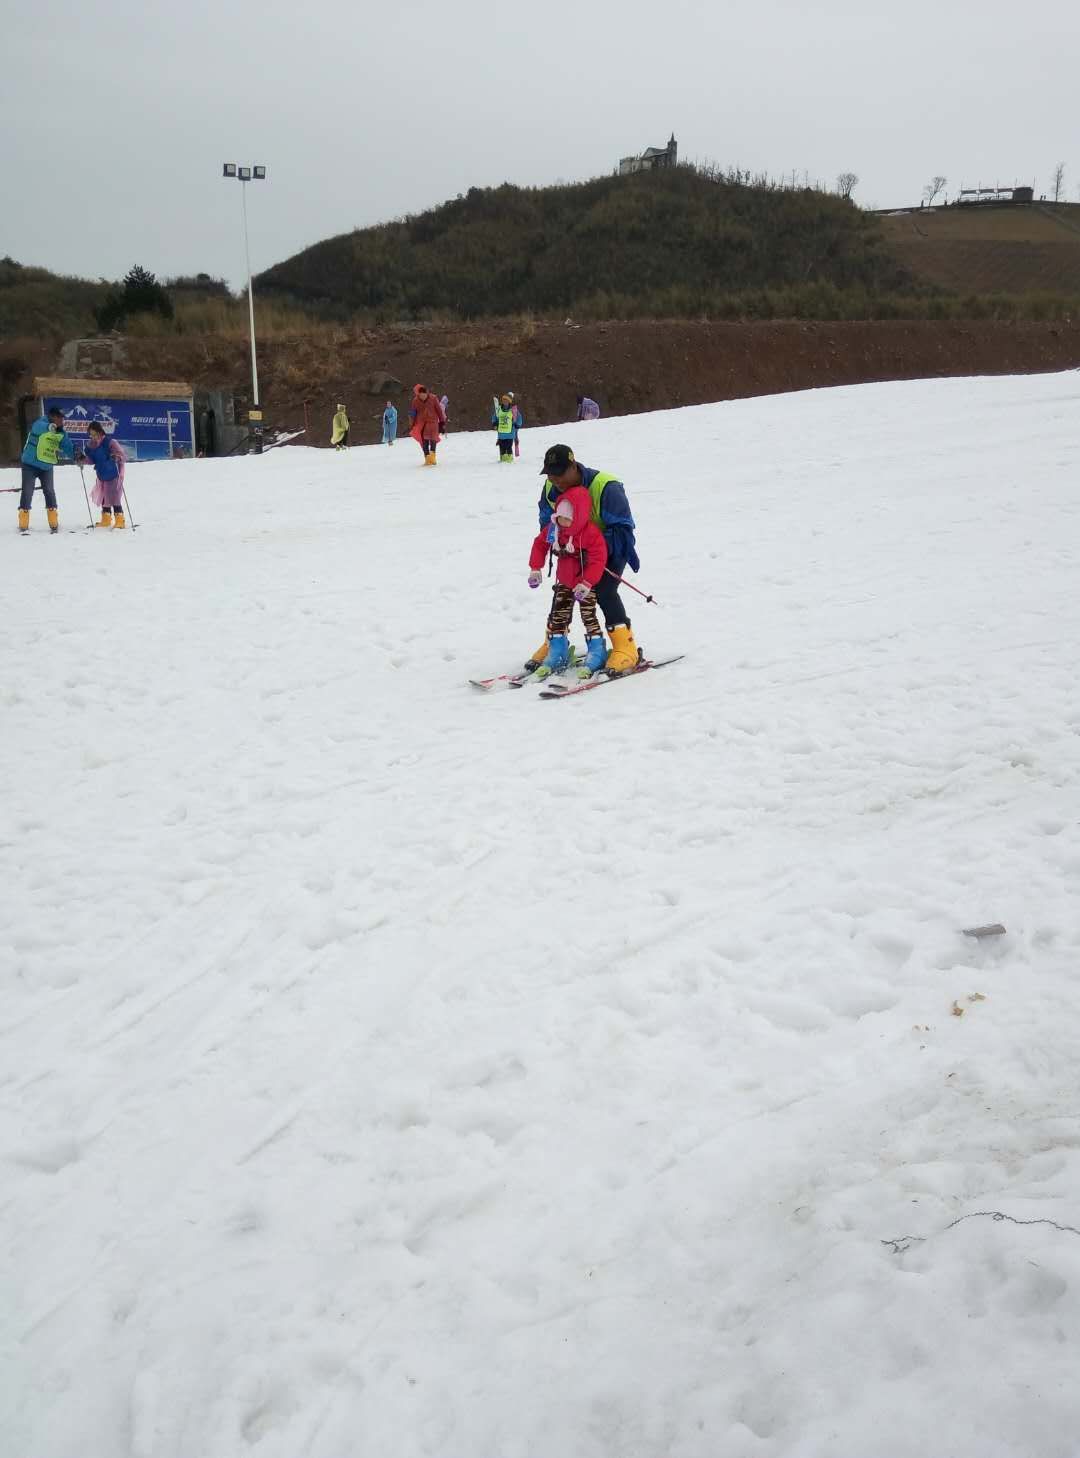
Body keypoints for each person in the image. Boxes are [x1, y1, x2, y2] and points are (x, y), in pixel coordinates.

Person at [528, 443, 640, 673]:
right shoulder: (551, 487)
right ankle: (554, 642)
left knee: (605, 590)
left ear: (573, 467)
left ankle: (625, 646)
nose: (554, 479)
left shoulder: (605, 486)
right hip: (571, 550)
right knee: (562, 592)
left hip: (607, 549)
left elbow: (624, 531)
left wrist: (591, 548)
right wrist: (556, 542)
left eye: (559, 473)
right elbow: (546, 521)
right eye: (550, 473)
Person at [527, 481, 608, 678]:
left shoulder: (590, 533)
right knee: (558, 615)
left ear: (578, 517)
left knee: (588, 615)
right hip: (564, 581)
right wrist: (535, 568)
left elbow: (599, 559)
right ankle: (557, 651)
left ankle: (597, 651)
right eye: (560, 517)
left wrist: (587, 582)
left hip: (584, 585)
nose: (562, 522)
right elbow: (539, 545)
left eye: (567, 519)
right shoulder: (555, 530)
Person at [18, 405, 72, 534]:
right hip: (30, 464)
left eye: (62, 418)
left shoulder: (60, 432)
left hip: (46, 466)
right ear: (52, 416)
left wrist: (77, 455)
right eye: (59, 418)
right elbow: (39, 428)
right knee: (27, 491)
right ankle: (23, 518)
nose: (61, 421)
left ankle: (53, 519)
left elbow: (67, 446)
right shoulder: (41, 423)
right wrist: (50, 427)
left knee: (49, 491)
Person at [82, 421, 127, 528]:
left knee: (114, 497)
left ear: (100, 432)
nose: (93, 437)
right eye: (91, 435)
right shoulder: (90, 446)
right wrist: (82, 459)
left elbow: (122, 455)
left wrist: (116, 457)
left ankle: (120, 520)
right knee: (104, 497)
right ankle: (106, 519)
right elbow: (91, 460)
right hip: (101, 474)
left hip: (113, 473)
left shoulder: (110, 442)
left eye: (95, 434)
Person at [409, 384, 445, 465]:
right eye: (419, 395)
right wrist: (412, 424)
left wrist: (442, 423)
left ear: (426, 393)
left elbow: (439, 411)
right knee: (424, 441)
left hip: (433, 422)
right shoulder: (415, 401)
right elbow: (413, 413)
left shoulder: (433, 398)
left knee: (433, 439)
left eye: (422, 395)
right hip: (422, 423)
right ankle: (427, 458)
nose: (421, 397)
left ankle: (433, 457)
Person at [492, 393, 515, 462]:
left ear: (509, 401)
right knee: (502, 447)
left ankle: (509, 460)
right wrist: (495, 424)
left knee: (508, 447)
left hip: (510, 434)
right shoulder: (498, 409)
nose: (505, 401)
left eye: (506, 400)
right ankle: (503, 460)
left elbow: (518, 419)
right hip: (501, 433)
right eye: (503, 400)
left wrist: (517, 424)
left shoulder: (513, 410)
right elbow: (495, 417)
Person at [509, 393, 524, 457]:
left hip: (514, 426)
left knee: (515, 438)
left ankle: (516, 453)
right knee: (508, 440)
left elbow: (519, 416)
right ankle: (508, 453)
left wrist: (518, 424)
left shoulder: (515, 408)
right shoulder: (505, 407)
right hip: (507, 426)